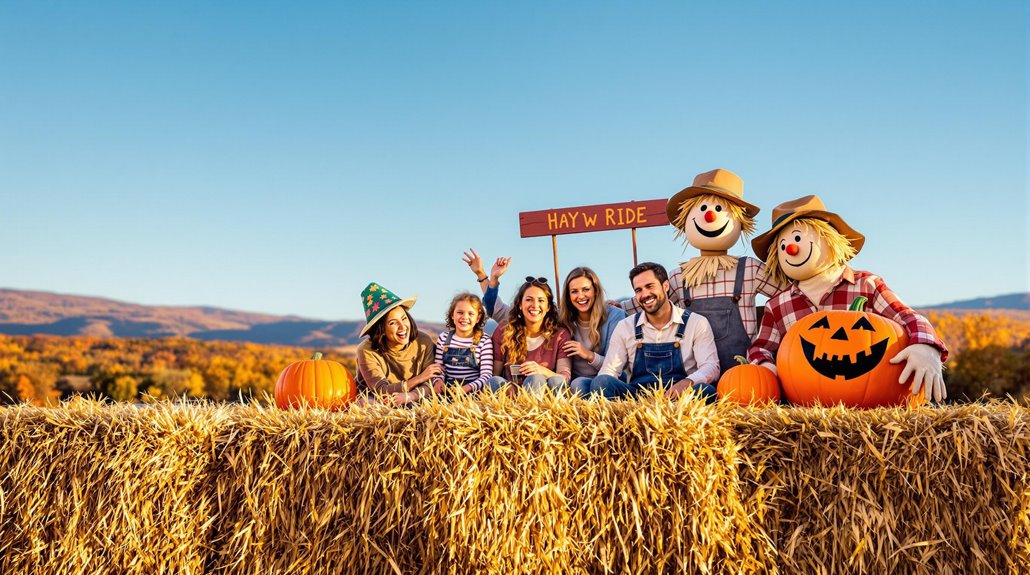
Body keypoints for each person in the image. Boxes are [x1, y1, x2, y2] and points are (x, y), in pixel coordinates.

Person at [746, 195, 948, 402]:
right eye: (782, 246)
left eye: (798, 238)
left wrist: (926, 346)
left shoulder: (867, 285)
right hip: (803, 401)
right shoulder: (778, 305)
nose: (791, 249)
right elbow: (760, 348)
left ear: (831, 240)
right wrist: (766, 367)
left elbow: (908, 317)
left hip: (871, 395)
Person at [618, 169, 788, 373]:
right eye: (703, 208)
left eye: (718, 208)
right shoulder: (679, 277)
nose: (709, 215)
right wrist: (615, 308)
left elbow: (787, 296)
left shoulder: (749, 269)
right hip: (696, 373)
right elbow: (649, 300)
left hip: (743, 372)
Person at [591, 262, 720, 401]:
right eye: (638, 290)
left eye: (649, 286)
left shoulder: (696, 322)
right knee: (601, 382)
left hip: (680, 399)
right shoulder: (625, 326)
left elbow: (711, 366)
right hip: (637, 400)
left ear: (665, 286)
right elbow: (609, 370)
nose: (644, 294)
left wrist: (688, 382)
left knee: (707, 391)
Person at [355, 282, 441, 406]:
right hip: (377, 398)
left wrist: (410, 396)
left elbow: (430, 382)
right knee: (367, 404)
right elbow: (381, 390)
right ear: (382, 330)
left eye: (404, 318)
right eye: (393, 323)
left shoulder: (423, 341)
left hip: (414, 395)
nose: (402, 327)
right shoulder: (366, 350)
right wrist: (419, 378)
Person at [487, 277, 573, 394]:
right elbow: (495, 373)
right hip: (512, 395)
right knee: (494, 381)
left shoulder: (560, 335)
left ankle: (533, 408)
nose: (535, 305)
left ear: (548, 307)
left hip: (545, 396)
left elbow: (564, 379)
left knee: (536, 379)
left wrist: (542, 371)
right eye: (529, 299)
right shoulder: (504, 331)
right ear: (520, 305)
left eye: (541, 301)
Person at [431, 292, 493, 395]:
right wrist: (438, 381)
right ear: (452, 315)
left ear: (478, 318)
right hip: (447, 389)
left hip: (473, 391)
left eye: (471, 314)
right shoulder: (444, 338)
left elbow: (486, 376)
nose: (465, 317)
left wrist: (467, 388)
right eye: (460, 312)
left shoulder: (484, 341)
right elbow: (438, 368)